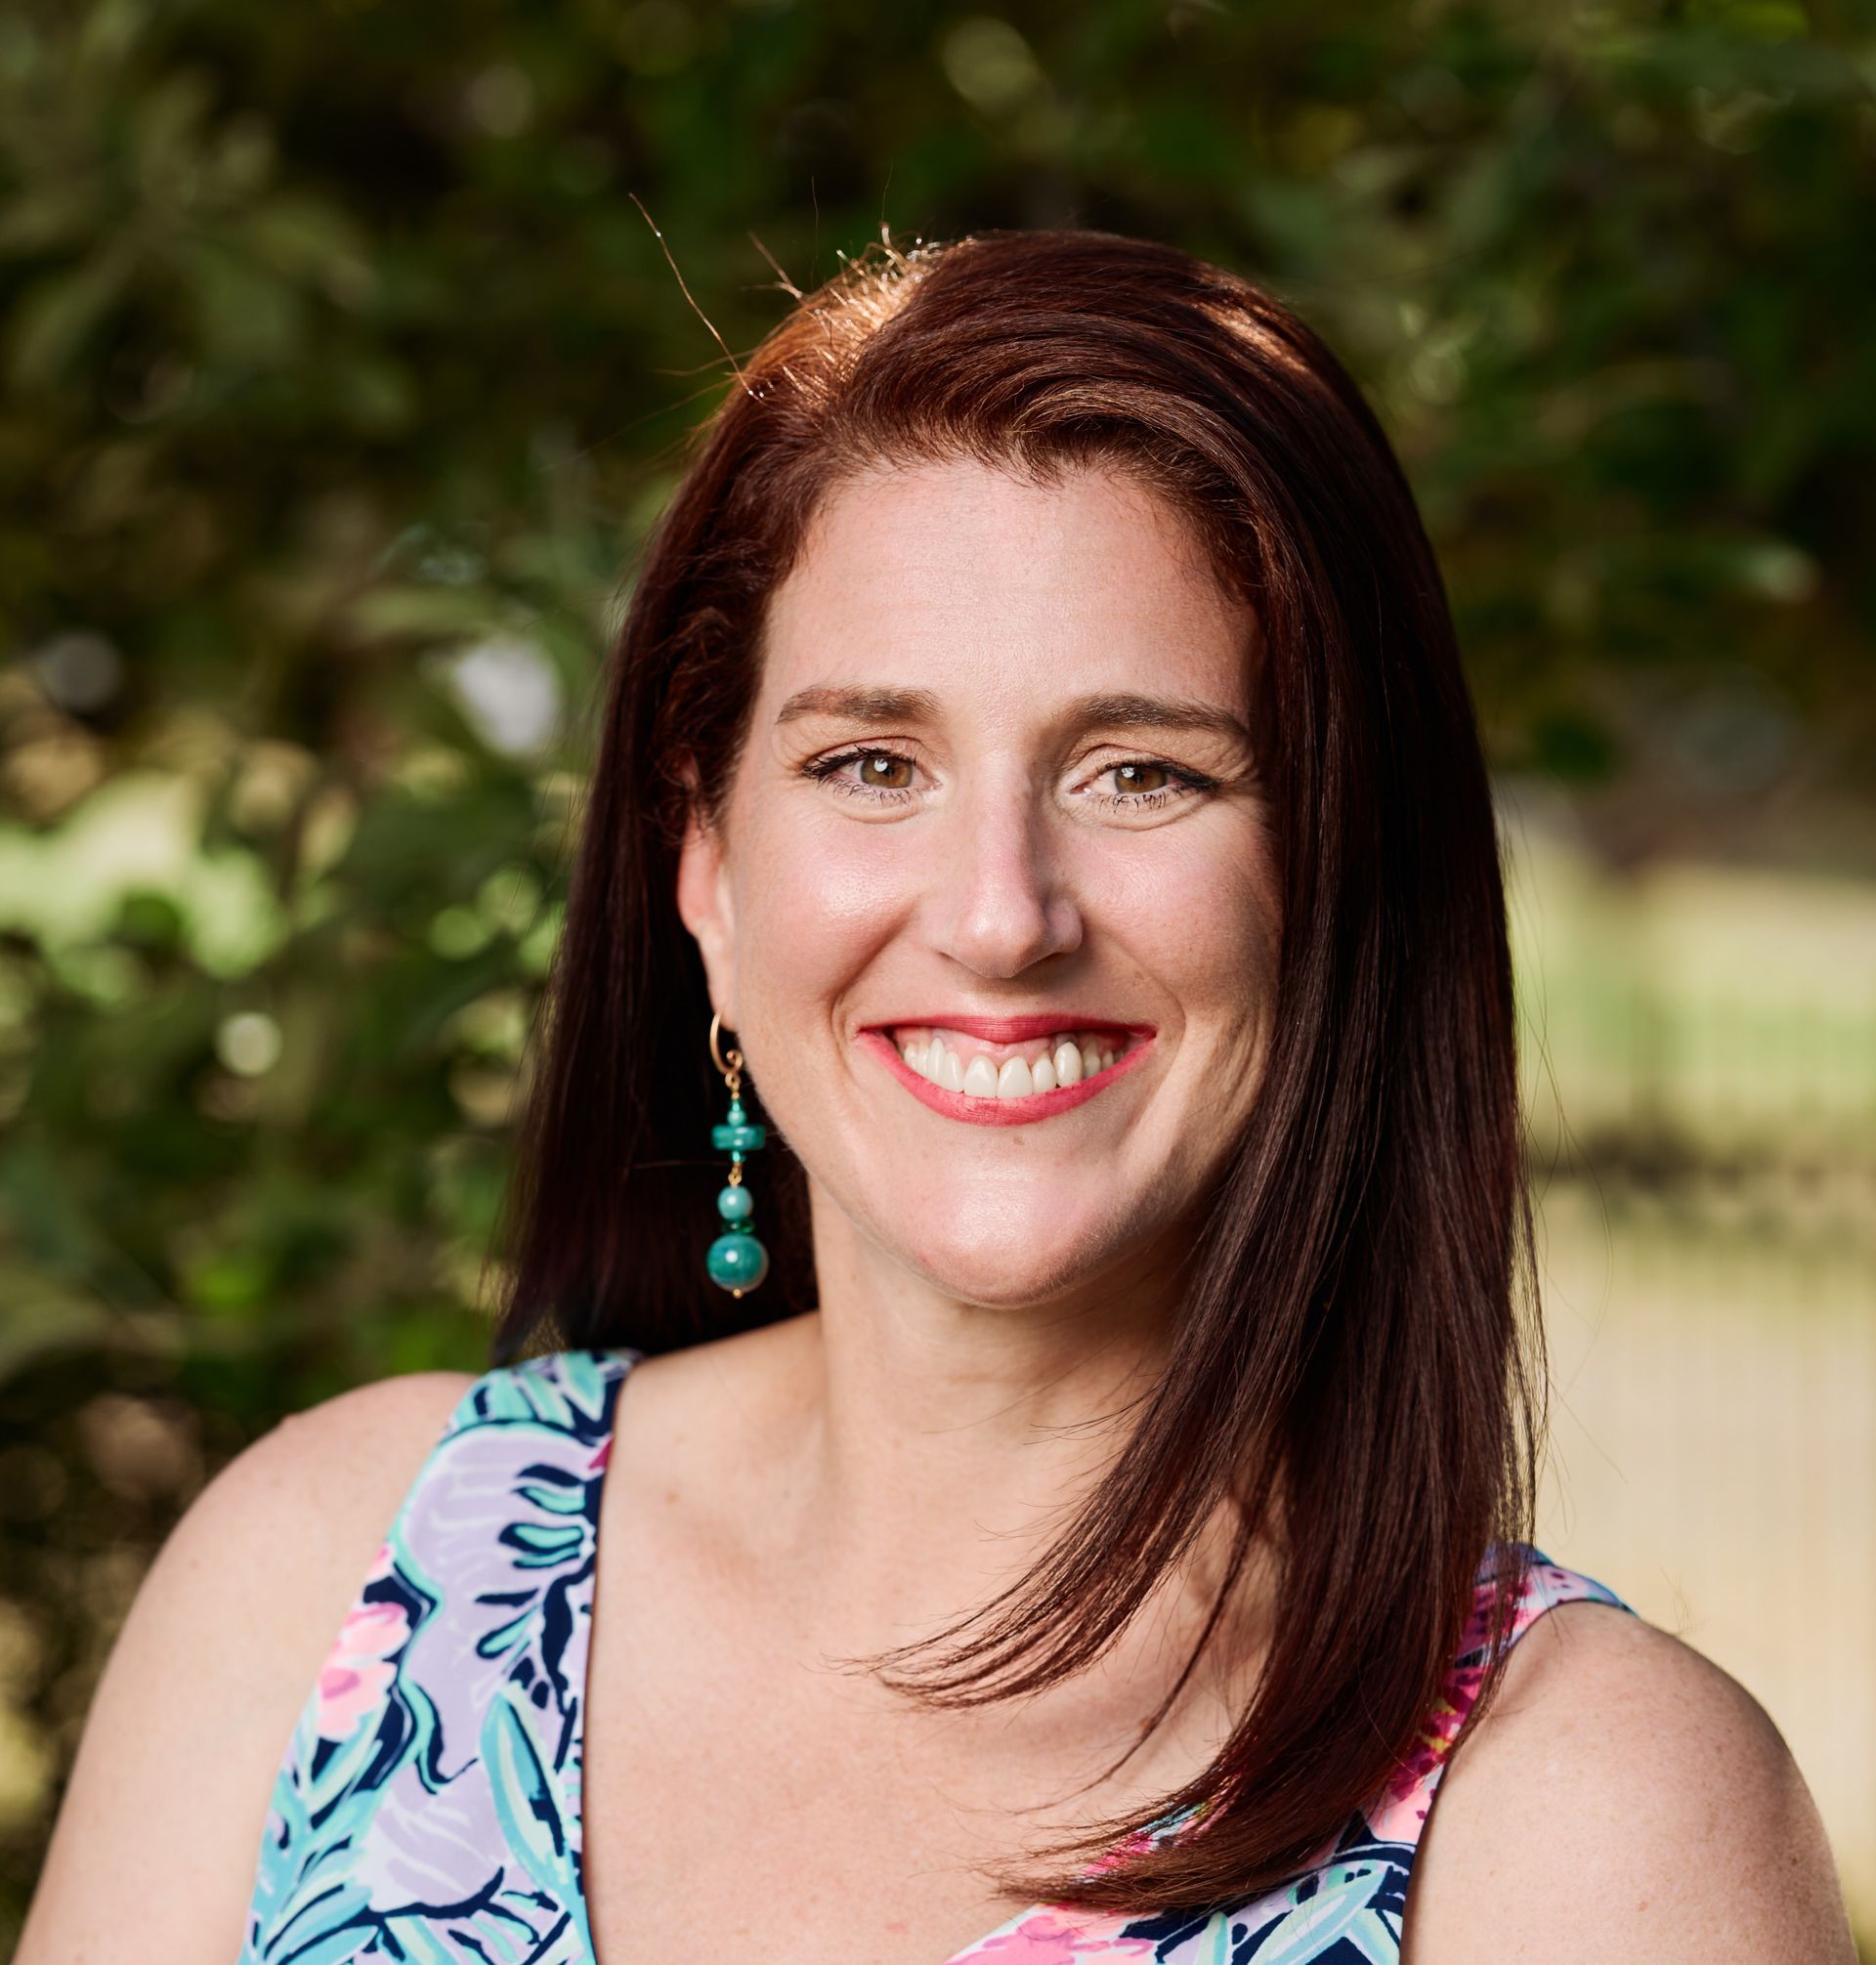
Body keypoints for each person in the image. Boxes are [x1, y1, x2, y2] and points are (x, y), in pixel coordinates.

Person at [18, 229, 1855, 1965]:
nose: (998, 917)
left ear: (1340, 882)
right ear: (708, 861)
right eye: (873, 761)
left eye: (1143, 773)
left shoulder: (1590, 1821)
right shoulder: (334, 1568)